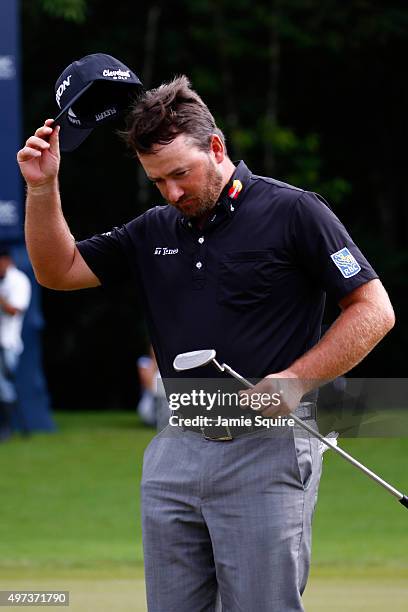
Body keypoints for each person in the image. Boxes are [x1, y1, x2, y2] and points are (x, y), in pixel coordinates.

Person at [17, 75, 395, 611]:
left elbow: (374, 310)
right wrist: (40, 187)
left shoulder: (294, 211)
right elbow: (58, 270)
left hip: (268, 442)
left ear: (216, 148)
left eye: (180, 175)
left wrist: (295, 381)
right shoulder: (155, 228)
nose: (172, 193)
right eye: (158, 182)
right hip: (177, 445)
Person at [0, 248, 32, 441]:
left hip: (7, 342)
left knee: (4, 385)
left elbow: (15, 310)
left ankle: (8, 427)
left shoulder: (18, 281)